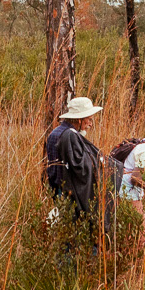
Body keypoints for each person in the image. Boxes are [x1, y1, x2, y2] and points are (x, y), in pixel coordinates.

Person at [42, 95, 104, 254]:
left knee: (67, 233)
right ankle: (75, 264)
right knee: (74, 235)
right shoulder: (70, 136)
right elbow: (80, 169)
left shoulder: (56, 133)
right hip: (70, 193)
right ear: (79, 119)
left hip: (58, 190)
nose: (90, 123)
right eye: (88, 119)